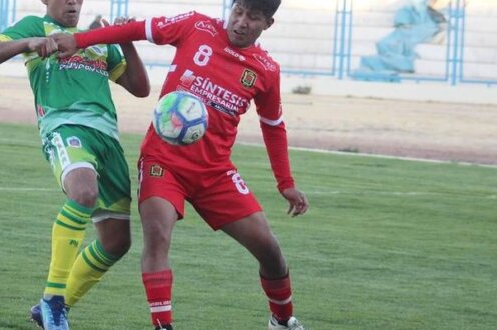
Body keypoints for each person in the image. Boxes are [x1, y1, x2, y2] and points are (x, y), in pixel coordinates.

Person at [51, 0, 309, 329]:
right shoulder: (196, 26)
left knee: (269, 248)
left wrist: (285, 183)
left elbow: (273, 127)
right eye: (238, 12)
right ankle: (163, 325)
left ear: (267, 24)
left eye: (253, 18)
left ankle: (283, 321)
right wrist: (80, 40)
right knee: (157, 236)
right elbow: (138, 29)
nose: (242, 22)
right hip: (163, 163)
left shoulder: (266, 69)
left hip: (215, 172)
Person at [0, 0, 150, 329]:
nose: (73, 1)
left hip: (108, 140)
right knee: (83, 192)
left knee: (117, 242)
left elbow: (140, 88)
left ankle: (52, 307)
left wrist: (124, 39)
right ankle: (54, 301)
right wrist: (28, 44)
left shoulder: (96, 37)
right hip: (65, 128)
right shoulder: (35, 27)